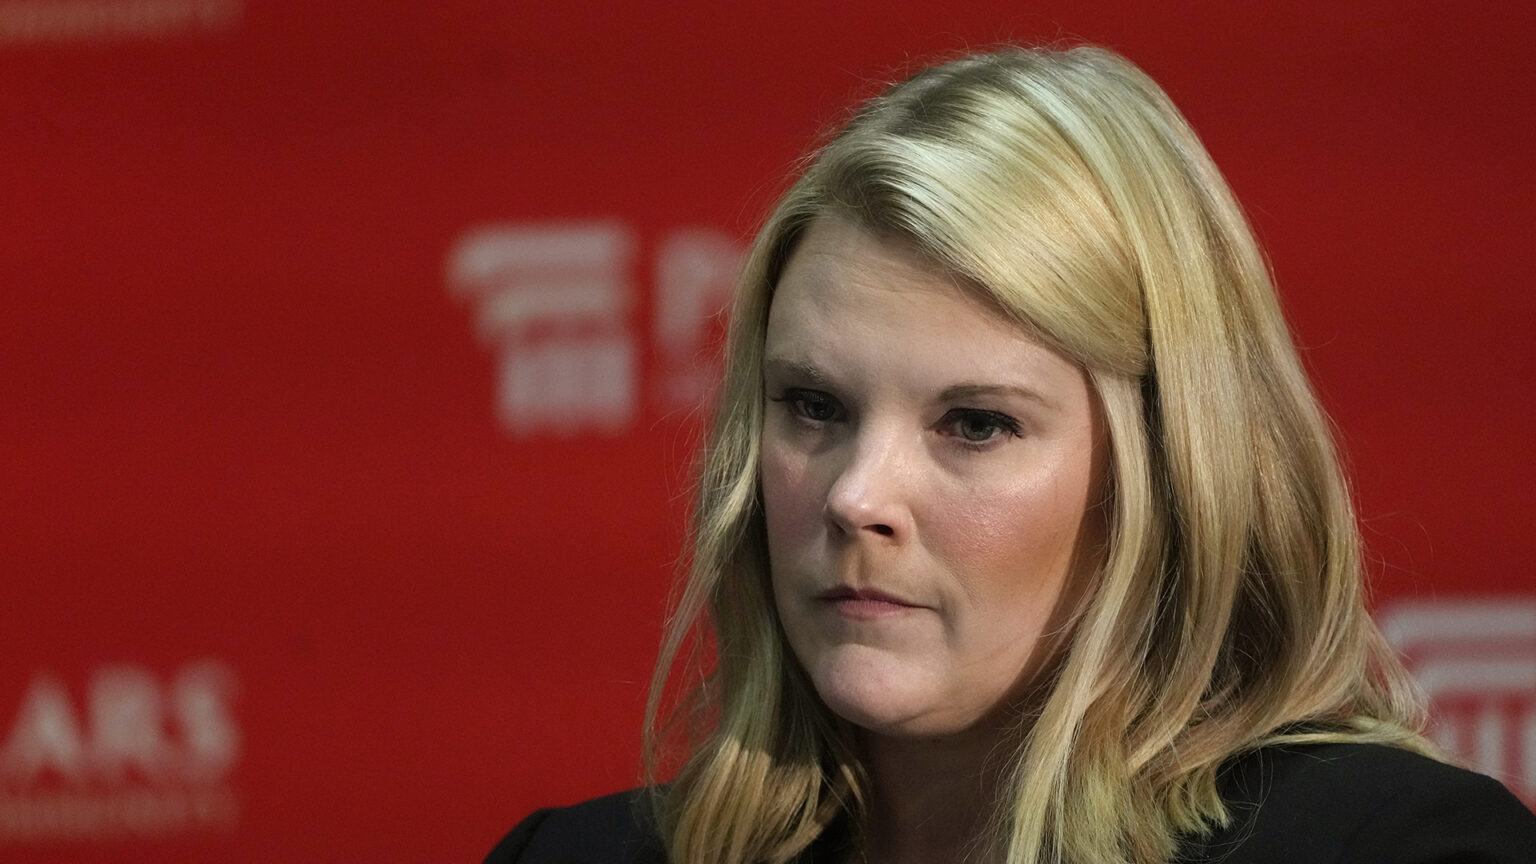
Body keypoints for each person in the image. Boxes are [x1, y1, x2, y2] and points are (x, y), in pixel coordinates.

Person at [486, 45, 1536, 864]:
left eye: (975, 424)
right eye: (813, 406)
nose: (856, 496)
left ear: (1168, 472)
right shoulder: (575, 856)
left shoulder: (1392, 848)